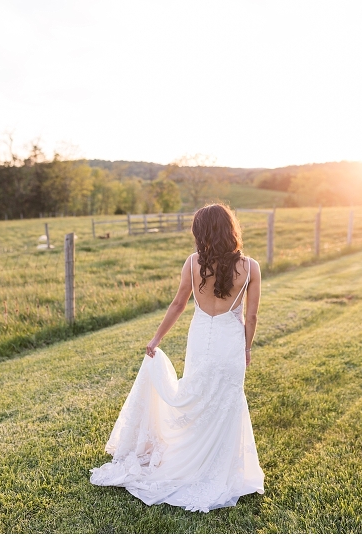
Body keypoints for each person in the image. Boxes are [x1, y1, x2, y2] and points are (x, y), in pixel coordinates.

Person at [90, 203, 265, 513]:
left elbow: (177, 305)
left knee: (196, 398)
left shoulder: (193, 263)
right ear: (230, 229)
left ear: (203, 233)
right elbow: (251, 317)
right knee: (226, 401)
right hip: (229, 344)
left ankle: (188, 460)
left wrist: (156, 339)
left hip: (200, 339)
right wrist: (247, 348)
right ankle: (217, 468)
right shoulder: (250, 267)